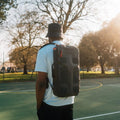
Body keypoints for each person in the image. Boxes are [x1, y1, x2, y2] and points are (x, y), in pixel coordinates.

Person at [35, 23, 75, 120]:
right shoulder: (72, 50)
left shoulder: (43, 51)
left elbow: (41, 82)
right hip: (69, 102)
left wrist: (38, 106)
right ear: (61, 36)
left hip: (50, 104)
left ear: (49, 37)